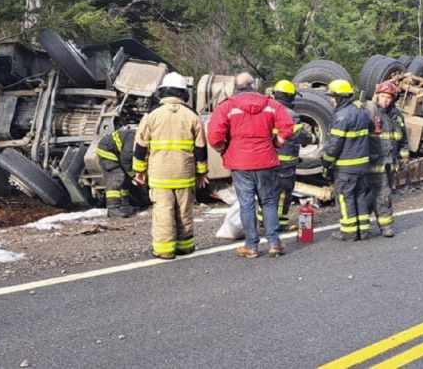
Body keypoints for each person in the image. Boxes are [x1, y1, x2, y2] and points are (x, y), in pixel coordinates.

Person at [208, 72, 294, 258]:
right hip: (266, 160)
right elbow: (287, 126)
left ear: (236, 87)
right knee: (269, 201)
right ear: (253, 85)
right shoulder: (271, 104)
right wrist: (277, 142)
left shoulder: (227, 106)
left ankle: (251, 246)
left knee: (247, 204)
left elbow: (214, 136)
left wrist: (224, 149)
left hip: (240, 163)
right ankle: (274, 242)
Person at [133, 72, 209, 260]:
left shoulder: (151, 115)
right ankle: (185, 246)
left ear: (162, 92)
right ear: (184, 93)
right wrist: (202, 173)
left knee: (163, 212)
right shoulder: (192, 116)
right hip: (185, 174)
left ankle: (164, 249)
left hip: (159, 175)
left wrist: (139, 171)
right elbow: (200, 148)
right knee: (184, 211)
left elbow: (140, 146)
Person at [256, 79, 318, 232]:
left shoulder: (265, 109)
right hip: (284, 164)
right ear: (290, 97)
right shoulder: (290, 115)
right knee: (283, 193)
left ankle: (263, 220)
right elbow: (300, 136)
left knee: (266, 190)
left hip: (265, 161)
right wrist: (314, 138)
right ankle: (278, 222)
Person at [322, 79, 372, 241]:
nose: (331, 100)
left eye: (332, 96)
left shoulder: (342, 116)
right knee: (360, 196)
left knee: (345, 197)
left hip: (346, 168)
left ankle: (349, 232)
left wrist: (326, 163)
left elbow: (334, 145)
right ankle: (363, 231)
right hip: (363, 166)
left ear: (340, 97)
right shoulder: (362, 113)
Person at [363, 81, 409, 237]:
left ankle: (361, 223)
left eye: (388, 98)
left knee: (375, 193)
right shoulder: (369, 111)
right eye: (382, 96)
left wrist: (404, 155)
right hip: (375, 162)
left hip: (390, 163)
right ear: (377, 96)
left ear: (393, 99)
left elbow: (402, 138)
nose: (385, 100)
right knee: (383, 193)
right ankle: (385, 226)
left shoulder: (397, 116)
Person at [95, 125, 149, 218]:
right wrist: (134, 175)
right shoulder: (133, 141)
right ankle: (113, 208)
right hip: (108, 150)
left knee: (125, 179)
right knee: (117, 176)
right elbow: (126, 160)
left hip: (118, 152)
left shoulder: (141, 139)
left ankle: (124, 205)